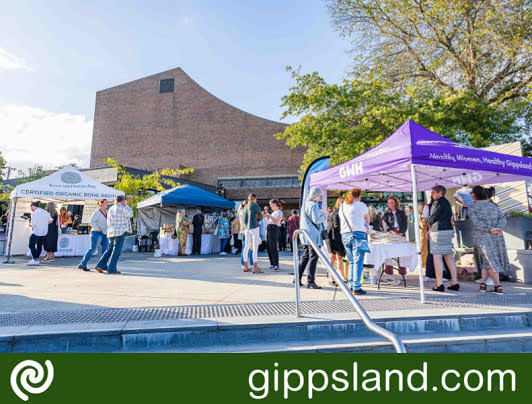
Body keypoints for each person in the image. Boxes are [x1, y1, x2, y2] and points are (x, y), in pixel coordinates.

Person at [469, 186, 509, 294]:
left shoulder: (472, 207)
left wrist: (489, 229)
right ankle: (483, 284)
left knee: (490, 260)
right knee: (487, 260)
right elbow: (502, 219)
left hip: (482, 237)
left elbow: (476, 222)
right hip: (497, 235)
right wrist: (497, 228)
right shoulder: (493, 206)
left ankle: (498, 286)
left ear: (474, 195)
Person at [339, 188, 370, 294]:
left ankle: (351, 285)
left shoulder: (342, 206)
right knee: (358, 261)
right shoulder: (361, 205)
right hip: (358, 235)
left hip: (345, 235)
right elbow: (368, 219)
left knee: (351, 261)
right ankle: (356, 287)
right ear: (359, 196)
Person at [428, 185, 459, 292]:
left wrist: (428, 223)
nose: (431, 195)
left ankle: (439, 283)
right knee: (449, 256)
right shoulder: (447, 202)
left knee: (437, 256)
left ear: (439, 192)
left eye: (433, 192)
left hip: (438, 230)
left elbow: (433, 217)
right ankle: (455, 282)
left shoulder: (437, 203)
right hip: (448, 230)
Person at [94, 195, 133, 274]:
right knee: (116, 251)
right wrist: (126, 205)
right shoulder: (123, 208)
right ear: (122, 201)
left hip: (111, 231)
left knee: (110, 249)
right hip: (120, 231)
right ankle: (111, 269)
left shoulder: (111, 208)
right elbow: (131, 214)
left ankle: (99, 265)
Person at [297, 187, 327, 289]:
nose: (320, 198)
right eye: (320, 196)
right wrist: (324, 216)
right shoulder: (314, 205)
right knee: (313, 257)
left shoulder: (305, 204)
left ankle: (297, 278)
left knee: (305, 257)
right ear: (316, 196)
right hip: (313, 235)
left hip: (305, 234)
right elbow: (317, 220)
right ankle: (311, 281)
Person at [382, 195, 408, 282]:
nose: (391, 204)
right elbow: (385, 226)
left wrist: (401, 232)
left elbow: (405, 223)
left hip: (400, 234)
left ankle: (402, 273)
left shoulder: (401, 212)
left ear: (396, 203)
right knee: (389, 255)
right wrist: (394, 233)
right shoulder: (386, 214)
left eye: (392, 202)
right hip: (390, 235)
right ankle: (389, 274)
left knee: (401, 254)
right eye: (389, 203)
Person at [79, 199, 109, 271]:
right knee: (93, 249)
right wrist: (98, 228)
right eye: (106, 202)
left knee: (105, 250)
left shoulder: (106, 212)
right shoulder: (97, 212)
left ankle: (103, 265)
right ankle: (82, 264)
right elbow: (91, 221)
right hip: (97, 233)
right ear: (101, 204)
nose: (107, 204)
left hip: (105, 233)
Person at [326, 197, 347, 284]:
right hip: (332, 236)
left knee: (340, 257)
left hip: (339, 236)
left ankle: (342, 276)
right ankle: (332, 277)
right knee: (332, 257)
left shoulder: (345, 212)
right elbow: (336, 225)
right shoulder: (336, 212)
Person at [242, 193, 263, 273]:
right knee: (255, 247)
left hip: (247, 228)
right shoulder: (256, 205)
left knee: (246, 246)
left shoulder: (246, 206)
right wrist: (258, 219)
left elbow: (244, 219)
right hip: (254, 227)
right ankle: (255, 267)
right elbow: (260, 217)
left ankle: (245, 266)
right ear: (255, 199)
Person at [27, 201, 53, 266]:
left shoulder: (35, 213)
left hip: (37, 231)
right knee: (39, 246)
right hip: (44, 232)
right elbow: (51, 220)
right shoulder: (46, 212)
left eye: (31, 207)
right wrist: (43, 224)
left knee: (31, 245)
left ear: (33, 206)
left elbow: (33, 224)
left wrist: (29, 223)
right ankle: (36, 259)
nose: (31, 209)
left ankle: (35, 259)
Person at [264, 199, 283, 271]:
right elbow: (269, 222)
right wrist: (266, 217)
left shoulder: (279, 212)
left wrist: (269, 215)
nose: (270, 206)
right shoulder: (273, 213)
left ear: (275, 204)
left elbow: (276, 221)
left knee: (273, 246)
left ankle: (276, 264)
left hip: (274, 228)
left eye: (271, 204)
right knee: (268, 246)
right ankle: (272, 263)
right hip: (269, 227)